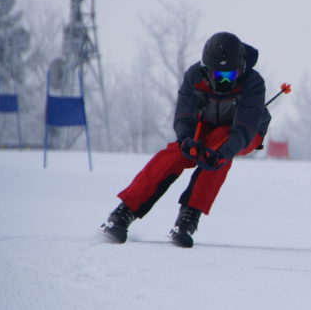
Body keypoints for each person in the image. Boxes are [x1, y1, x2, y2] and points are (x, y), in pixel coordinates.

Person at [100, 31, 271, 248]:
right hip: (205, 128)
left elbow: (244, 129)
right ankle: (124, 211)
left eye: (231, 75)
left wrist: (221, 154)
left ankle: (189, 217)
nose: (225, 81)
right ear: (206, 70)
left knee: (217, 150)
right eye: (219, 76)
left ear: (242, 69)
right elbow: (183, 116)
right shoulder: (194, 76)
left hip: (246, 133)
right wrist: (185, 140)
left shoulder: (253, 82)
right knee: (175, 154)